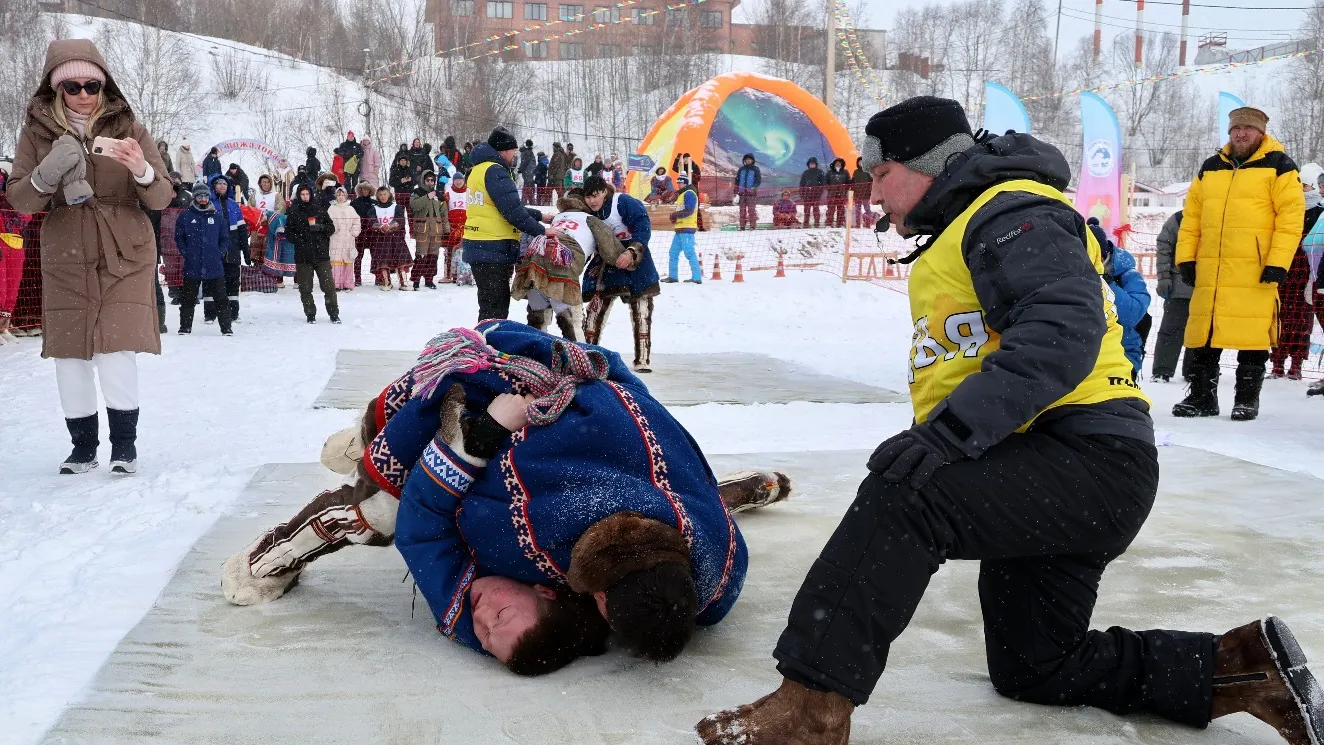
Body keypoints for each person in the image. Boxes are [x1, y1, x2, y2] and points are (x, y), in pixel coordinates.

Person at [697, 95, 1324, 745]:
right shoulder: (967, 222)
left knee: (905, 489)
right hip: (1048, 465)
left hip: (1087, 457)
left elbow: (1062, 328)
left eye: (879, 174)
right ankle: (1243, 670)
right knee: (1037, 664)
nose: (872, 192)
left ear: (925, 165)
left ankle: (810, 709)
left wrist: (947, 435)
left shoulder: (1010, 210)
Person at [221, 321, 787, 672]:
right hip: (499, 405)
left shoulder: (711, 583)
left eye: (484, 631)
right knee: (376, 505)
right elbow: (692, 499)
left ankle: (352, 464)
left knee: (385, 514)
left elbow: (430, 541)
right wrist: (484, 436)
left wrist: (489, 634)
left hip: (499, 450)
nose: (484, 617)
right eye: (499, 621)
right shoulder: (531, 535)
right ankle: (278, 549)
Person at [8, 39, 173, 475]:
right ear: (56, 90)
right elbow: (22, 201)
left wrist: (142, 169)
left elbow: (161, 197)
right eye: (72, 87)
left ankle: (124, 445)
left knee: (116, 348)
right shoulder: (36, 133)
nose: (84, 94)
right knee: (71, 353)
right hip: (66, 250)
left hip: (126, 250)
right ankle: (82, 447)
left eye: (92, 85)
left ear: (104, 84)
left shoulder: (130, 127)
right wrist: (46, 174)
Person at [1174, 106, 1305, 421]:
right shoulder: (1210, 167)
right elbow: (1191, 218)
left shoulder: (1280, 166)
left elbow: (1290, 220)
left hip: (1255, 269)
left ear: (1261, 132)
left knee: (1253, 334)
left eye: (1248, 129)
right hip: (1212, 268)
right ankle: (1202, 397)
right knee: (1204, 334)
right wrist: (1186, 257)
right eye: (1236, 129)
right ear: (1230, 132)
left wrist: (1277, 262)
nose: (1241, 134)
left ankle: (1246, 400)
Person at [462, 127, 560, 322]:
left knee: (489, 304)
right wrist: (542, 231)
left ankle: (487, 344)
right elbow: (512, 211)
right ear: (502, 150)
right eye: (513, 151)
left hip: (480, 244)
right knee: (495, 308)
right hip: (492, 246)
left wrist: (540, 215)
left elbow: (504, 205)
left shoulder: (478, 170)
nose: (515, 156)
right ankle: (488, 347)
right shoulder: (496, 171)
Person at [580, 174, 658, 372]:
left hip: (636, 262)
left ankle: (643, 358)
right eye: (588, 197)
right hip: (607, 264)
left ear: (604, 192)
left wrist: (633, 251)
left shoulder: (622, 202)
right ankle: (587, 355)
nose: (592, 201)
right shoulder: (586, 212)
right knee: (595, 311)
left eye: (595, 195)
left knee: (641, 310)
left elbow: (642, 223)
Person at [512, 188, 612, 341]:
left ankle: (536, 357)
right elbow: (611, 250)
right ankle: (579, 360)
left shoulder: (557, 217)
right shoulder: (591, 220)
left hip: (534, 268)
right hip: (561, 273)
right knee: (572, 323)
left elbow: (518, 212)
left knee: (537, 322)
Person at [1270, 163, 1324, 380]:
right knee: (1279, 318)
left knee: (1302, 320)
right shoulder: (1287, 210)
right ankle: (1277, 362)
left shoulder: (1319, 214)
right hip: (1284, 272)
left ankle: (1297, 363)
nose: (1303, 191)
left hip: (1307, 276)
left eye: (1307, 187)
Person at [1089, 218, 1150, 378]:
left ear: (1103, 254)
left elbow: (1132, 315)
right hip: (1085, 353)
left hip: (1123, 353)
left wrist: (1105, 281)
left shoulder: (1127, 275)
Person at [175, 183, 233, 338]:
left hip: (214, 264)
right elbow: (179, 238)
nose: (203, 199)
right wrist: (187, 253)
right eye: (199, 196)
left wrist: (219, 253)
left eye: (205, 196)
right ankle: (185, 328)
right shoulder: (185, 216)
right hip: (192, 264)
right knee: (188, 299)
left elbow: (224, 238)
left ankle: (226, 328)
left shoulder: (217, 216)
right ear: (194, 197)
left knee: (221, 298)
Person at [286, 183, 339, 324]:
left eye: (307, 194)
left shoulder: (319, 209)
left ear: (311, 195)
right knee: (305, 288)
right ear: (298, 195)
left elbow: (331, 228)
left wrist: (320, 227)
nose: (305, 197)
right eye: (302, 194)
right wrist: (300, 238)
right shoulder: (293, 211)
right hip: (303, 256)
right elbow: (288, 233)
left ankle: (334, 314)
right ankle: (310, 314)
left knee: (328, 287)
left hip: (321, 254)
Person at [1152, 210, 1192, 382]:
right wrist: (1164, 277)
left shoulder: (1222, 215)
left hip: (1208, 288)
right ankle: (1162, 370)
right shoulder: (1180, 218)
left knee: (1202, 333)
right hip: (1179, 286)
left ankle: (1197, 371)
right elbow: (1163, 246)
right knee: (1171, 330)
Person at [206, 173, 247, 324]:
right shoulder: (208, 203)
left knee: (233, 280)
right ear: (214, 186)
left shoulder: (233, 204)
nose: (222, 186)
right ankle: (210, 313)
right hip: (213, 248)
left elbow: (242, 229)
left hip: (232, 249)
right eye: (219, 183)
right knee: (211, 279)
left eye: (225, 184)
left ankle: (233, 312)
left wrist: (245, 249)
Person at [365, 186, 411, 290]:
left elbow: (400, 220)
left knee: (400, 260)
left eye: (385, 194)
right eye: (380, 195)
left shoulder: (396, 207)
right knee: (383, 260)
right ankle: (386, 282)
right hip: (381, 239)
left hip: (396, 238)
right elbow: (371, 221)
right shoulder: (374, 208)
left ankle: (403, 282)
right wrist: (380, 226)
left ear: (389, 194)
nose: (383, 197)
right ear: (377, 196)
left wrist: (392, 226)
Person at [0, 171, 27, 344]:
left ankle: (4, 327)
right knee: (2, 286)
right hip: (2, 241)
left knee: (12, 287)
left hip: (16, 244)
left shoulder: (12, 204)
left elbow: (27, 216)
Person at [409, 171, 448, 290]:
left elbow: (444, 213)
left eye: (432, 180)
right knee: (421, 255)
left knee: (433, 256)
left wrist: (446, 228)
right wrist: (427, 197)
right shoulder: (417, 192)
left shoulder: (439, 196)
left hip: (436, 229)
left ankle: (429, 279)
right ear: (423, 180)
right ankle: (416, 280)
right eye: (428, 180)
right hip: (422, 229)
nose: (430, 182)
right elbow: (414, 206)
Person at [663, 174, 701, 285]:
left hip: (687, 228)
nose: (679, 184)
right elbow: (683, 209)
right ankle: (673, 277)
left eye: (681, 182)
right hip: (680, 228)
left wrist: (675, 215)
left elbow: (689, 210)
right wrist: (676, 217)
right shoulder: (682, 194)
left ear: (685, 183)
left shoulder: (689, 193)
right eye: (678, 182)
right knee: (673, 253)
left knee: (689, 252)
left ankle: (697, 277)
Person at [327, 186, 362, 291]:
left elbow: (357, 221)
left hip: (348, 239)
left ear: (346, 196)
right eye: (338, 195)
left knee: (348, 261)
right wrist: (332, 230)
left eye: (342, 195)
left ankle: (347, 283)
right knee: (336, 261)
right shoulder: (332, 208)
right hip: (335, 239)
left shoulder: (350, 209)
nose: (341, 197)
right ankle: (336, 284)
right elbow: (327, 221)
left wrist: (353, 233)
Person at [442, 170, 469, 284]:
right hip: (452, 227)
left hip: (466, 227)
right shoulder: (448, 193)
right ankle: (448, 274)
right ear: (453, 181)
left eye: (460, 180)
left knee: (466, 251)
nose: (458, 182)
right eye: (456, 180)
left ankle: (466, 274)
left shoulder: (469, 192)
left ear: (463, 181)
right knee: (450, 251)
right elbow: (444, 209)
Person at [350, 181, 377, 286]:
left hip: (372, 233)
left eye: (367, 189)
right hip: (359, 234)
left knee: (375, 256)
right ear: (360, 190)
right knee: (358, 257)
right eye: (363, 189)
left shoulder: (374, 203)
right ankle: (357, 278)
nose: (365, 191)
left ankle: (378, 278)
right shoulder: (354, 203)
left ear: (370, 190)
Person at [734, 154, 760, 230]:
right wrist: (736, 191)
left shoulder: (756, 169)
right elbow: (737, 180)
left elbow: (758, 180)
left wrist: (754, 187)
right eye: (747, 159)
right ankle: (742, 226)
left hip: (751, 194)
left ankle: (752, 226)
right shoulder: (741, 169)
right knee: (742, 210)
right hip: (742, 194)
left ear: (752, 160)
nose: (748, 160)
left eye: (750, 159)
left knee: (751, 210)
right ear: (744, 160)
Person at [798, 157, 825, 228]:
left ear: (816, 164)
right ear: (808, 164)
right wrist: (802, 193)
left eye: (813, 164)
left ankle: (817, 224)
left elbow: (823, 184)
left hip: (816, 194)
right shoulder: (805, 173)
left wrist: (819, 192)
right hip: (807, 194)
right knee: (806, 210)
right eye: (811, 164)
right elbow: (802, 184)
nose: (812, 165)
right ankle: (806, 224)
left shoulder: (820, 172)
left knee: (816, 210)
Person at [824, 157, 850, 228]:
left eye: (839, 163)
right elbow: (826, 183)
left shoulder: (845, 172)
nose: (838, 164)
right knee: (830, 210)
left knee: (841, 210)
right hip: (832, 195)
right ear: (834, 164)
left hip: (842, 195)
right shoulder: (829, 172)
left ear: (842, 164)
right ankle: (829, 223)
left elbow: (848, 183)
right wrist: (830, 189)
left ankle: (840, 223)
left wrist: (844, 189)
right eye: (837, 163)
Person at [851, 155, 871, 227]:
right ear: (857, 163)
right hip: (857, 194)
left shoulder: (868, 172)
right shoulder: (855, 172)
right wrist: (853, 191)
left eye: (862, 162)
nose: (861, 163)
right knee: (857, 210)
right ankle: (858, 223)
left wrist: (869, 192)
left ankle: (868, 223)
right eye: (860, 162)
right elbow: (852, 183)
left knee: (867, 209)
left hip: (866, 194)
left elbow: (871, 182)